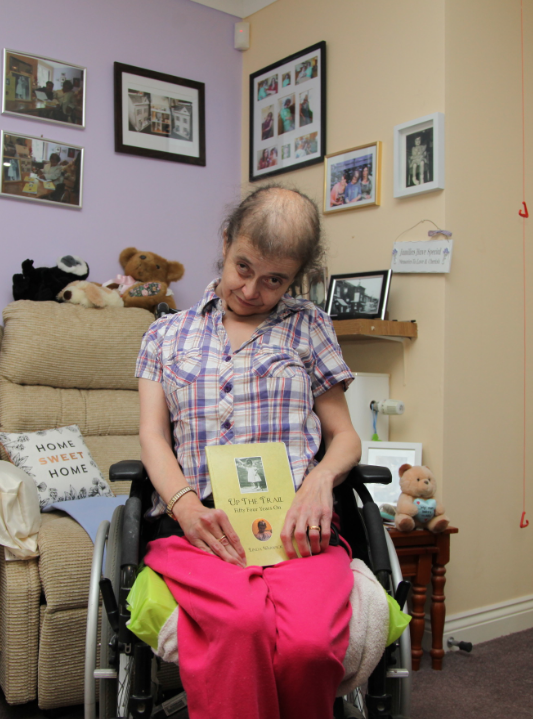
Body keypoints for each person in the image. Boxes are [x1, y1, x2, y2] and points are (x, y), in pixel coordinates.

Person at [136, 185, 361, 719]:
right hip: (202, 525)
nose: (252, 290)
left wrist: (320, 480)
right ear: (226, 241)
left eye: (274, 280)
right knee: (242, 624)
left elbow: (346, 436)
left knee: (308, 647)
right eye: (243, 267)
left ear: (296, 277)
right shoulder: (165, 335)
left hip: (294, 525)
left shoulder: (309, 326)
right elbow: (152, 436)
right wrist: (185, 506)